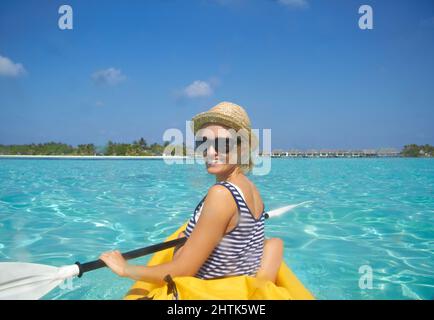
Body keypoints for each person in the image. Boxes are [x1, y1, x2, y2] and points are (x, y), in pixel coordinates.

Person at [100, 101, 283, 285]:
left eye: (223, 144)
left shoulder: (221, 194)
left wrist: (125, 269)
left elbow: (182, 272)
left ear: (242, 147)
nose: (210, 152)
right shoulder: (251, 188)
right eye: (203, 143)